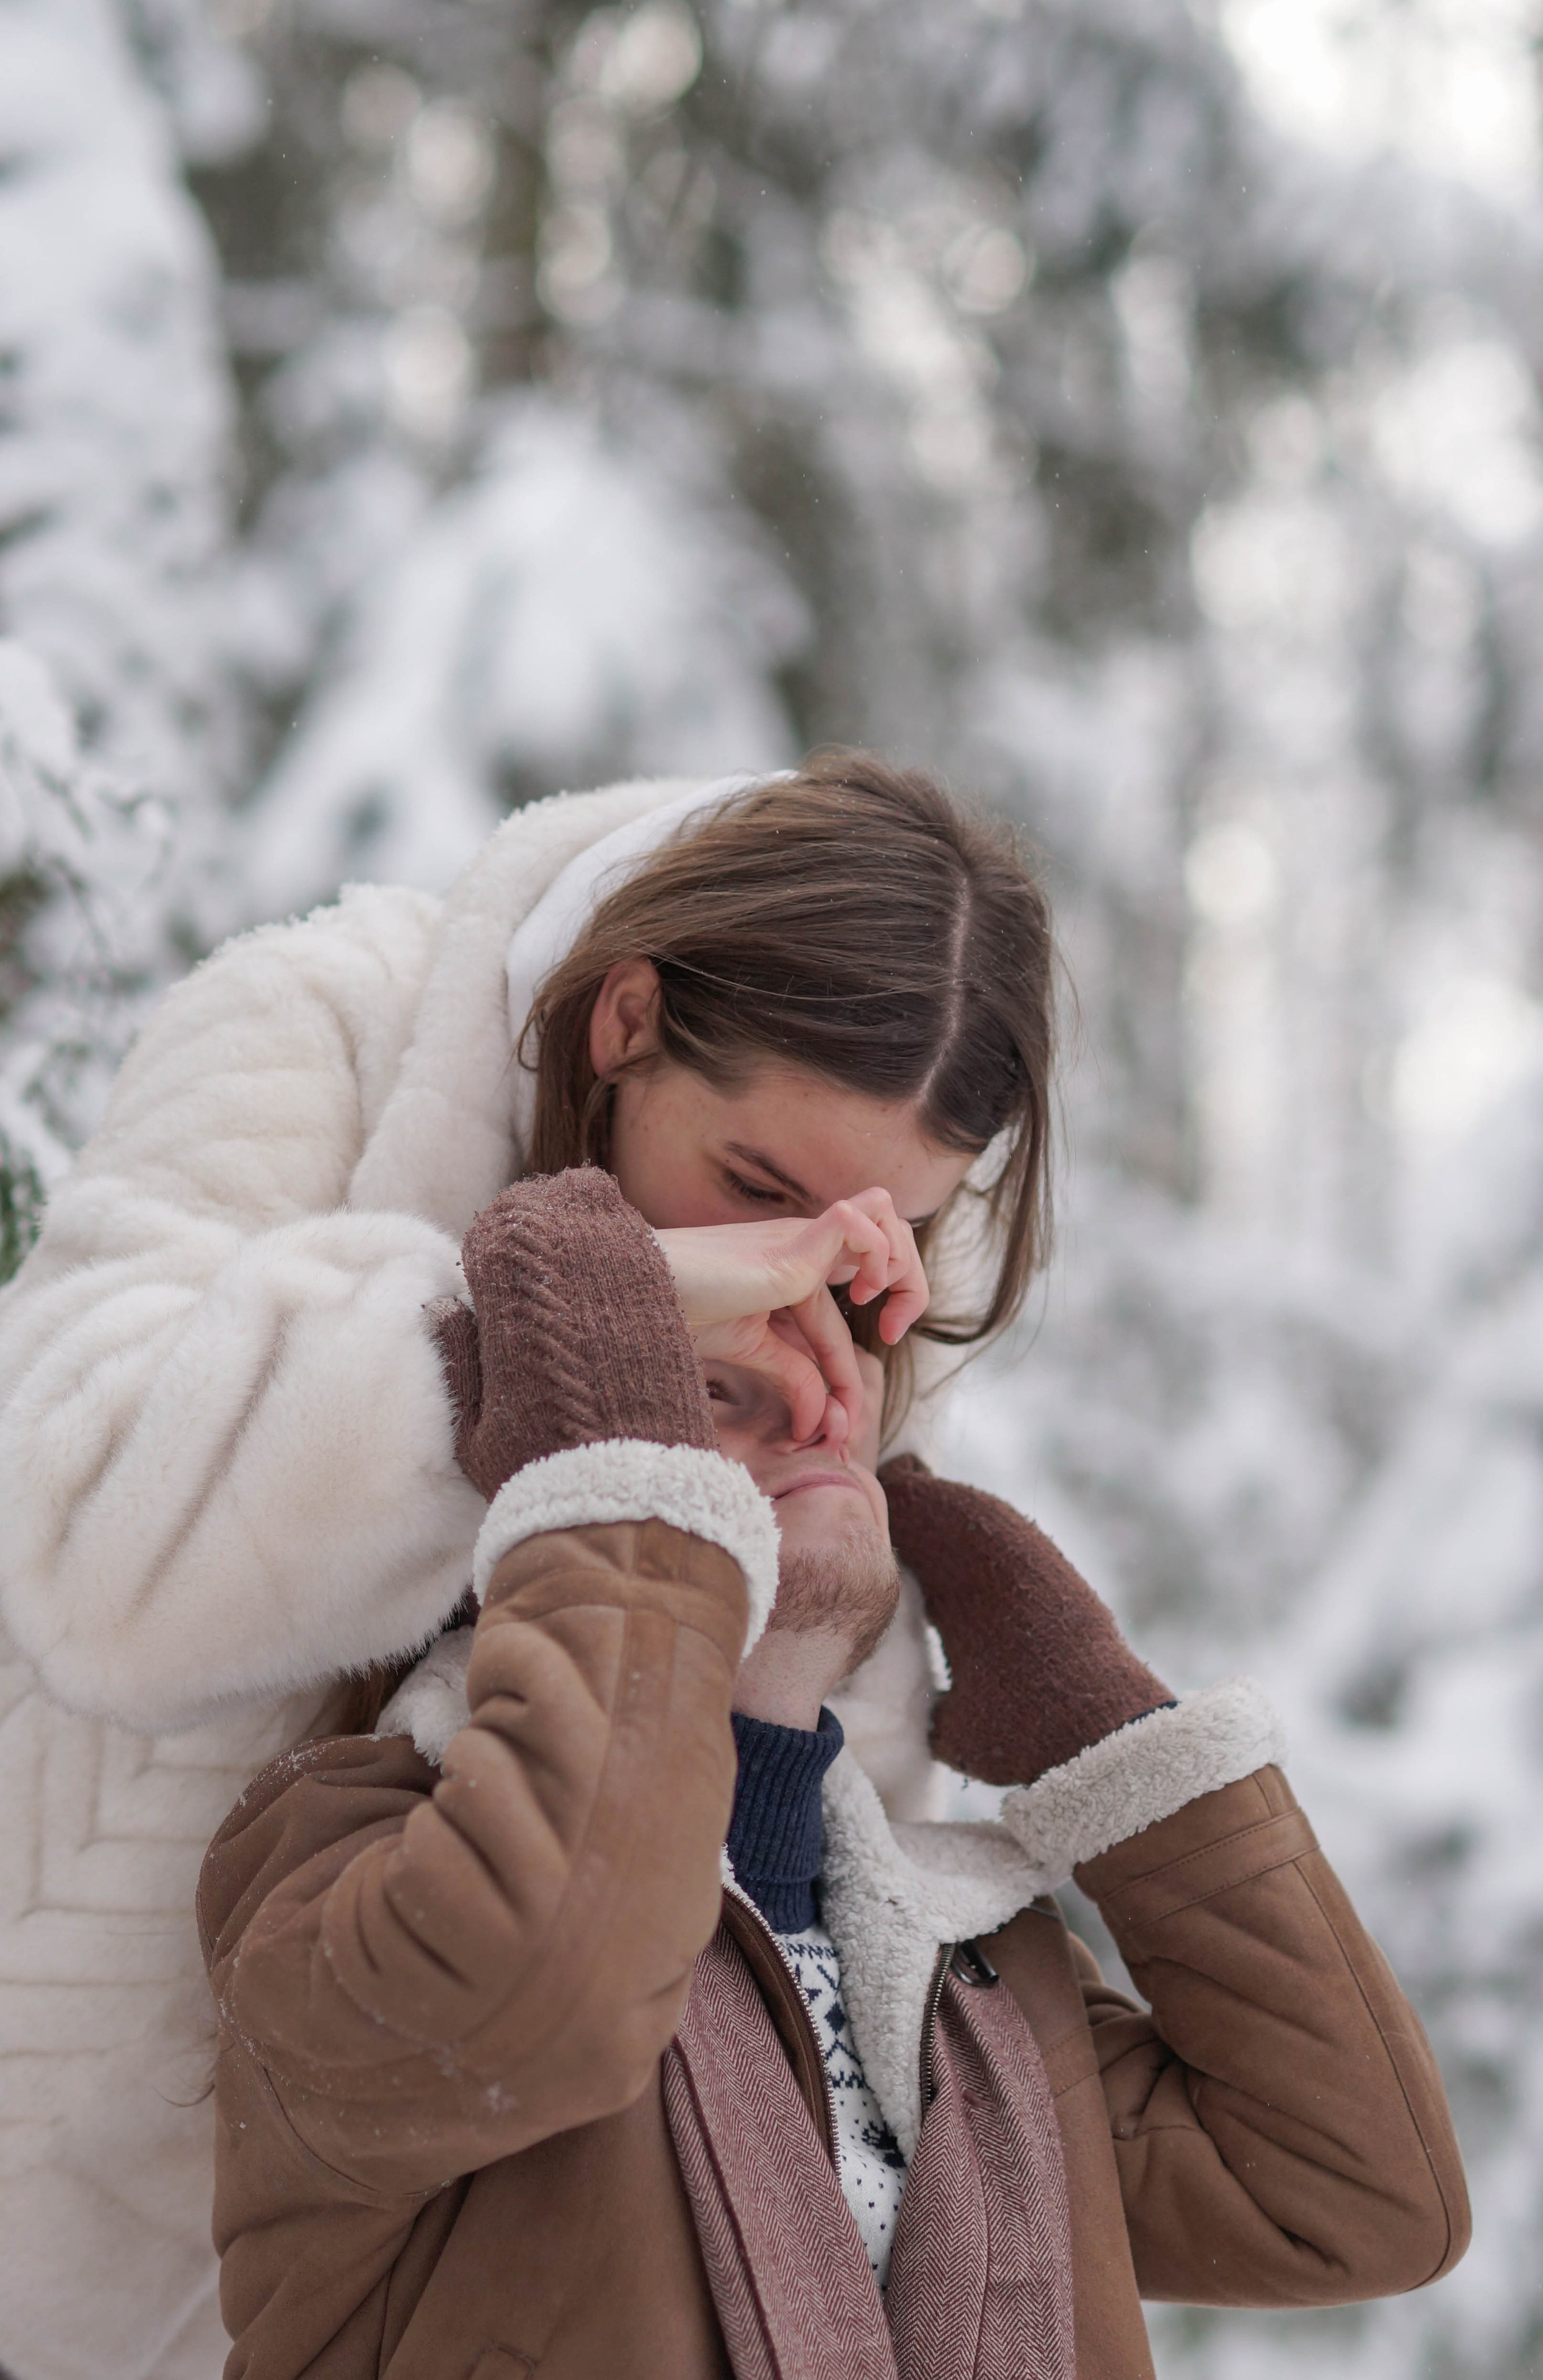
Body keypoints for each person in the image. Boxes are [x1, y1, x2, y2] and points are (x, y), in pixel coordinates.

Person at [0, 756, 1054, 2379]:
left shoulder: (862, 1275)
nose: (803, 1269)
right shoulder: (318, 1028)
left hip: (421, 2257)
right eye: (755, 1186)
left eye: (879, 1230)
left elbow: (814, 1838)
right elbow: (85, 1553)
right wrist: (551, 1341)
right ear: (624, 1021)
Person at [202, 1168, 1469, 2380]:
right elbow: (560, 1971)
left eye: (836, 1395)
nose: (822, 1419)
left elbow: (1362, 2200)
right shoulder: (343, 1853)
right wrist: (608, 1415)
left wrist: (1110, 1734)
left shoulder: (980, 1975)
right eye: (714, 1393)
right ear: (585, 1479)